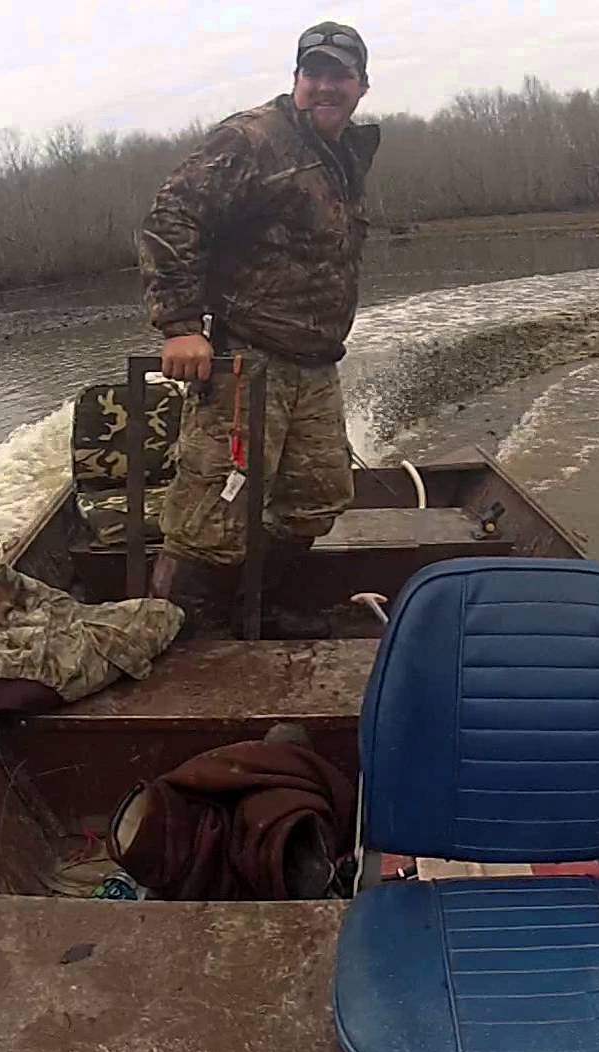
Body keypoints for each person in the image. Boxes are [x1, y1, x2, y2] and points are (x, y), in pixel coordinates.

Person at [137, 21, 379, 635]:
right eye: (313, 74)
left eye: (339, 75)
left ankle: (260, 605)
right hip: (248, 364)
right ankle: (178, 630)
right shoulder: (251, 139)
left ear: (362, 85)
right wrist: (181, 327)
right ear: (296, 80)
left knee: (317, 497)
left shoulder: (345, 151)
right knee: (209, 516)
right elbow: (173, 217)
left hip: (317, 363)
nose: (325, 86)